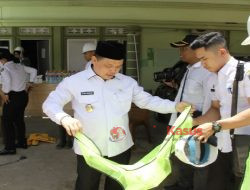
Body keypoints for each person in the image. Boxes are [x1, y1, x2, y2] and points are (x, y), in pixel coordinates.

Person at [42, 40, 193, 190]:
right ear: (94, 59)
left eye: (118, 66)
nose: (113, 70)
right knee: (86, 185)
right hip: (89, 149)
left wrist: (175, 106)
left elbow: (147, 101)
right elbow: (50, 104)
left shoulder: (127, 83)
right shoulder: (74, 82)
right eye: (109, 66)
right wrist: (64, 118)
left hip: (120, 146)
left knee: (117, 185)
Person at [190, 31, 250, 190]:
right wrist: (192, 123)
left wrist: (215, 126)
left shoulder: (245, 72)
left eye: (204, 58)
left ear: (222, 52)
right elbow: (216, 109)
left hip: (244, 146)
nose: (203, 64)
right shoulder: (214, 77)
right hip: (223, 143)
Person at [166, 34, 213, 190]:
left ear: (197, 50)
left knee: (198, 158)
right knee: (182, 153)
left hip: (198, 121)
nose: (181, 52)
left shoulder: (206, 71)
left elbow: (210, 101)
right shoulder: (189, 69)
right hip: (184, 120)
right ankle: (184, 185)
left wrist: (204, 123)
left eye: (185, 48)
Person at [0, 48, 37, 155]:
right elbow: (33, 71)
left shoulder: (5, 68)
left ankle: (10, 147)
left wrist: (6, 93)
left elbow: (7, 80)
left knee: (7, 121)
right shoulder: (19, 65)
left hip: (13, 97)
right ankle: (22, 142)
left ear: (3, 59)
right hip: (23, 96)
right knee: (19, 120)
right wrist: (30, 82)